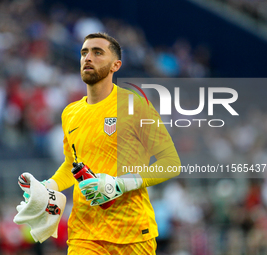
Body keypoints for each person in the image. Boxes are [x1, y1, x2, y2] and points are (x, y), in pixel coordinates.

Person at [36, 32, 181, 254]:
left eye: (97, 52)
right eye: (84, 52)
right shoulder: (70, 113)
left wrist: (121, 184)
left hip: (132, 232)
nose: (88, 58)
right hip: (85, 233)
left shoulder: (135, 105)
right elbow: (71, 164)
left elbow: (171, 162)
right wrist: (48, 187)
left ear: (116, 65)